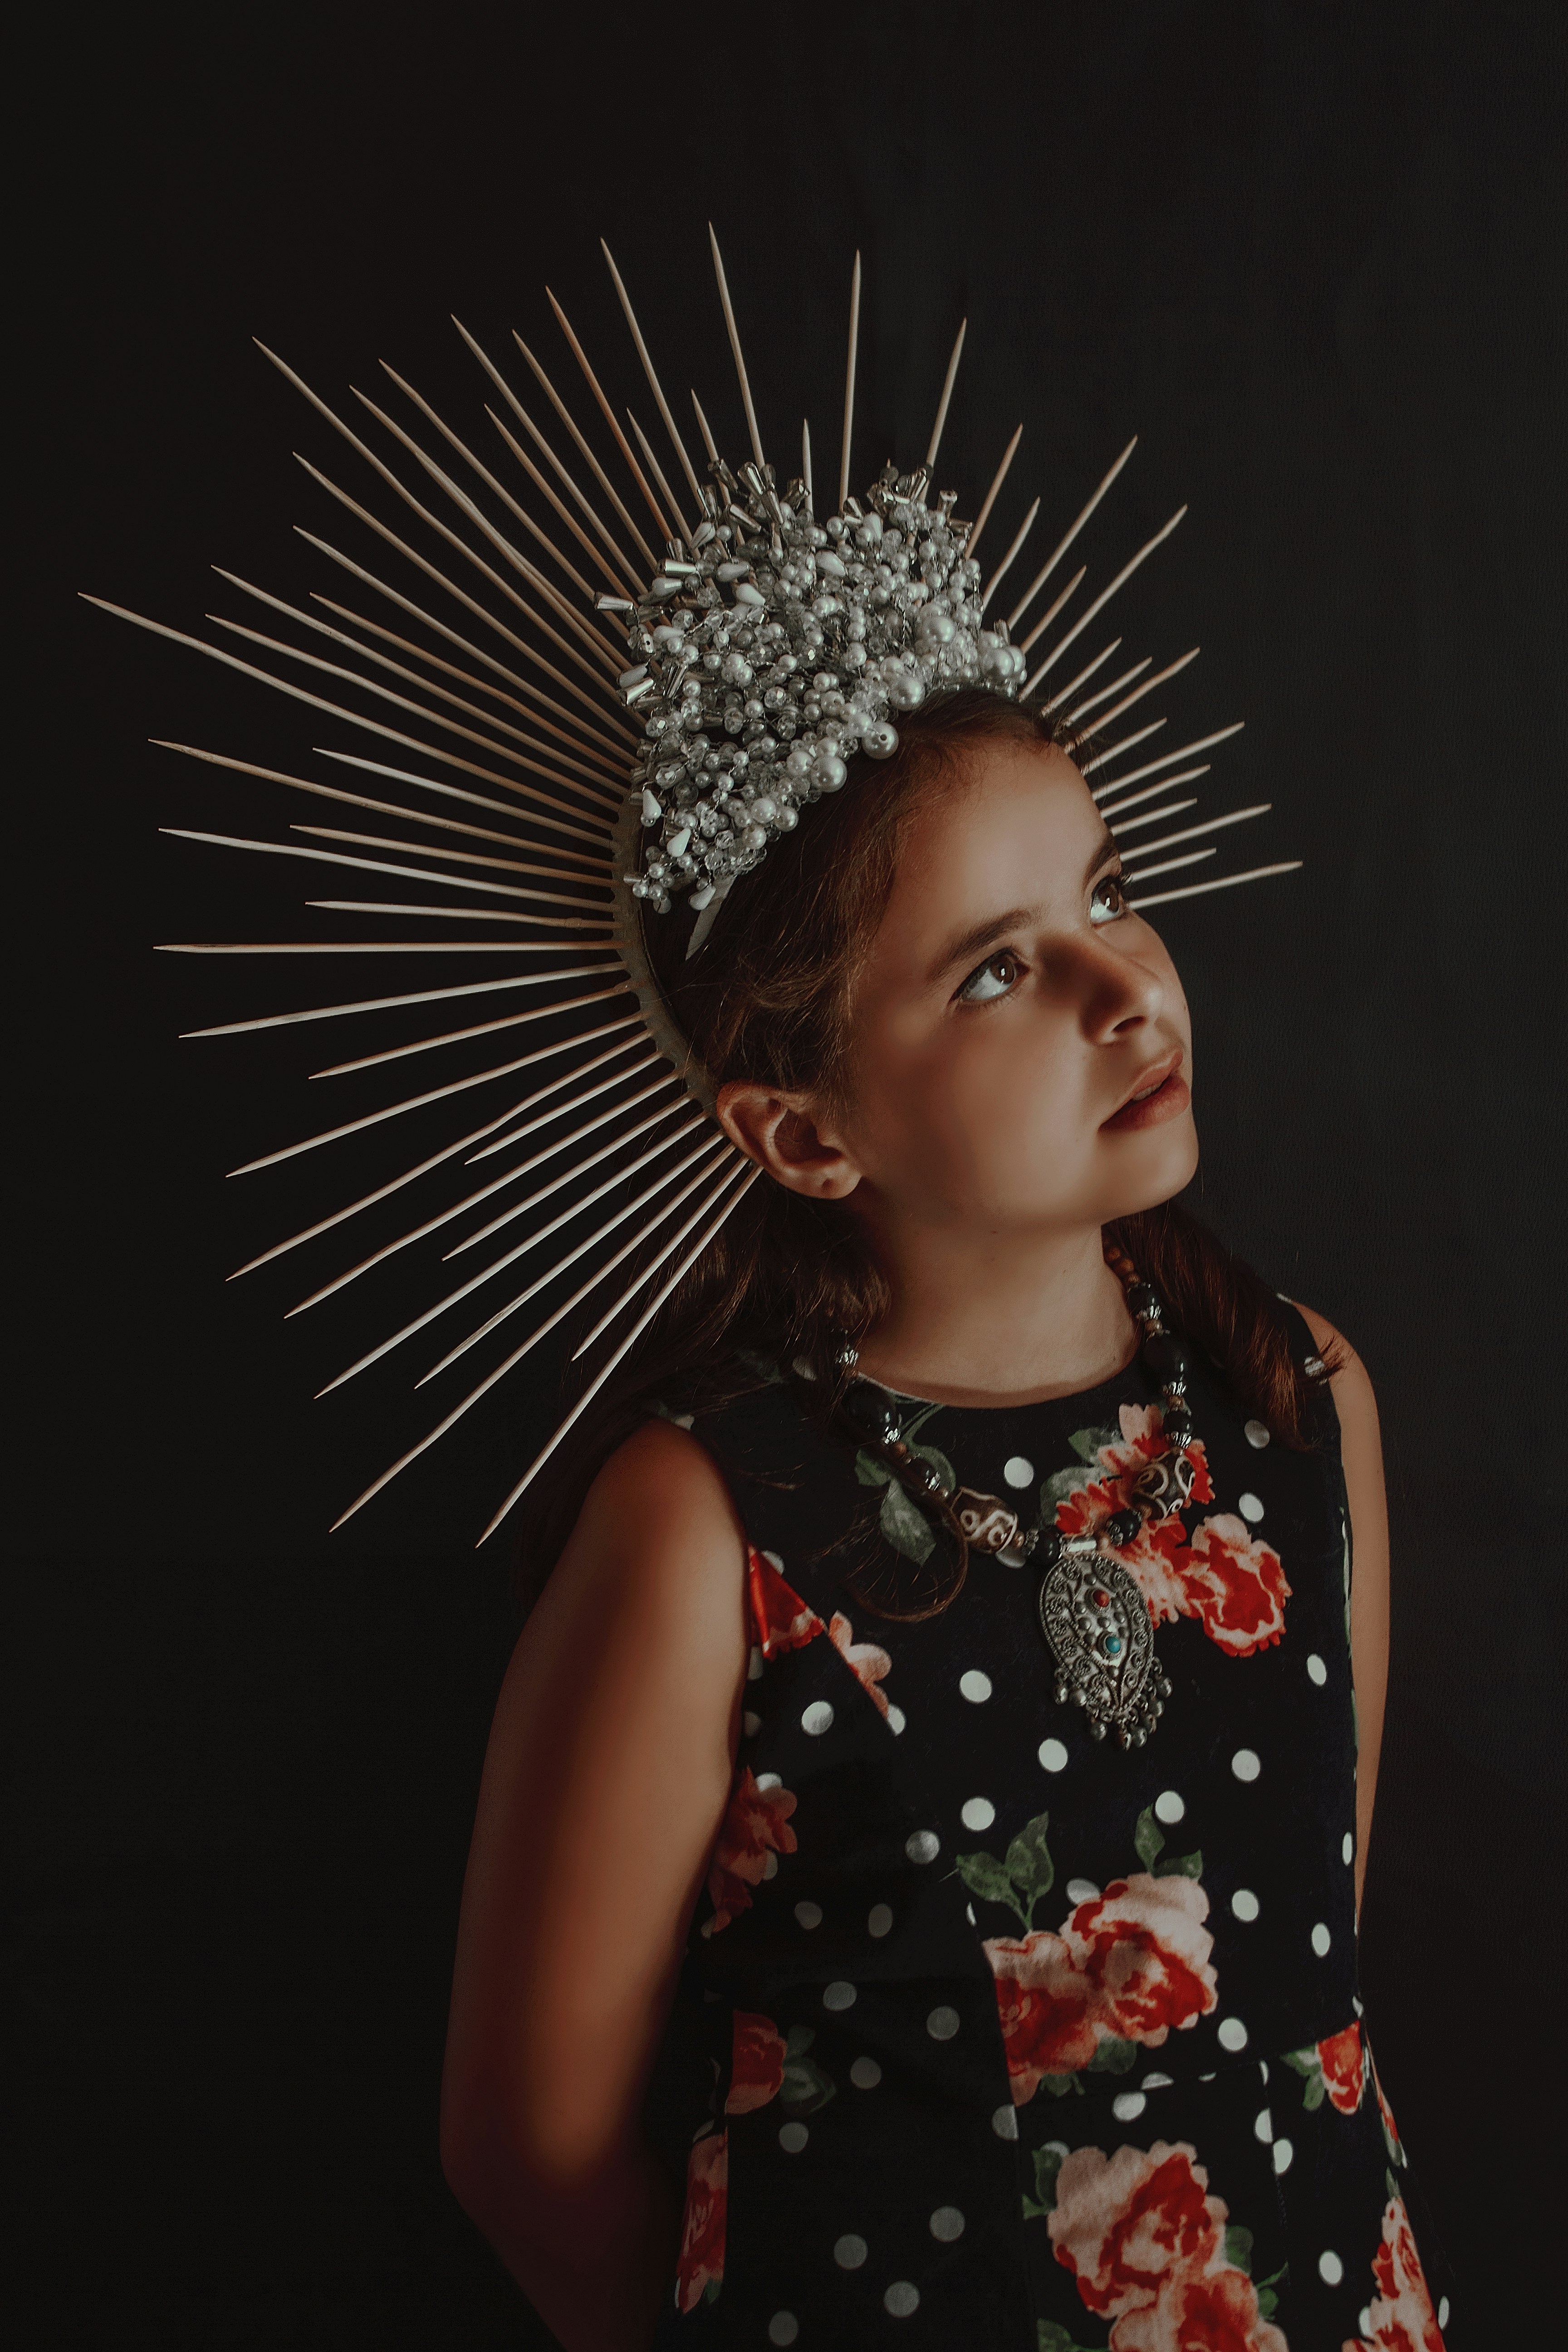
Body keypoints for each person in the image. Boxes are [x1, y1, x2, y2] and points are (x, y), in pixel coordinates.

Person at [436, 691, 1451, 2351]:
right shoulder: (706, 1530)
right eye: (998, 968)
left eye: (1109, 893)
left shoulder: (1298, 1398)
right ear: (807, 1132)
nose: (1127, 988)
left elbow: (1308, 1956)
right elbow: (527, 2153)